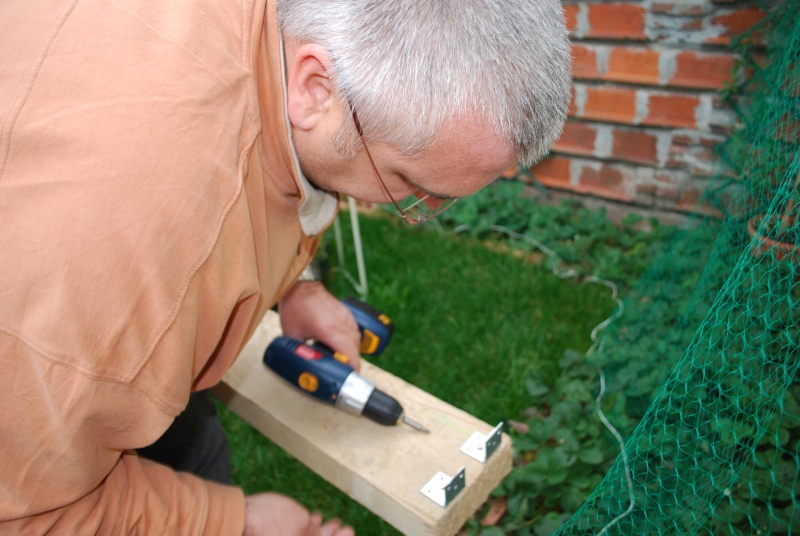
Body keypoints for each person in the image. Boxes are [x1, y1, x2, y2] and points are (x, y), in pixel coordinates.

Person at [0, 0, 570, 533]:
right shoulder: (118, 279)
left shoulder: (293, 29)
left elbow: (290, 150)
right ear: (315, 87)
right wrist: (231, 520)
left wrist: (296, 281)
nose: (416, 210)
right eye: (412, 189)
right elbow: (28, 511)